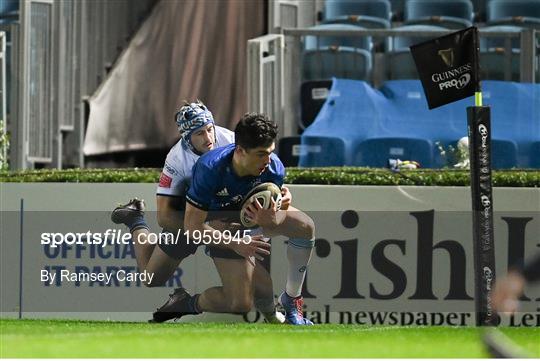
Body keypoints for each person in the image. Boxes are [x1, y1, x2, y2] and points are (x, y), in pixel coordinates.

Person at [111, 101, 287, 323]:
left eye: (210, 129)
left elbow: (261, 178)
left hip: (224, 221)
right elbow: (165, 216)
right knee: (150, 277)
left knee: (251, 293)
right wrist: (207, 230)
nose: (208, 138)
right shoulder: (176, 160)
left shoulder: (234, 142)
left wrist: (281, 197)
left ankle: (189, 303)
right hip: (186, 218)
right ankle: (136, 219)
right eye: (199, 133)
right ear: (186, 137)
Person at [178, 112, 316, 325]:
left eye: (270, 152)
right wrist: (235, 243)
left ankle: (292, 299)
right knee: (241, 303)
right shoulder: (210, 169)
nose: (268, 160)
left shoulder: (273, 168)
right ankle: (187, 302)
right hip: (222, 227)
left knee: (306, 226)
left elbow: (272, 221)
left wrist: (274, 216)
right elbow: (192, 226)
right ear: (240, 151)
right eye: (261, 153)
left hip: (251, 220)